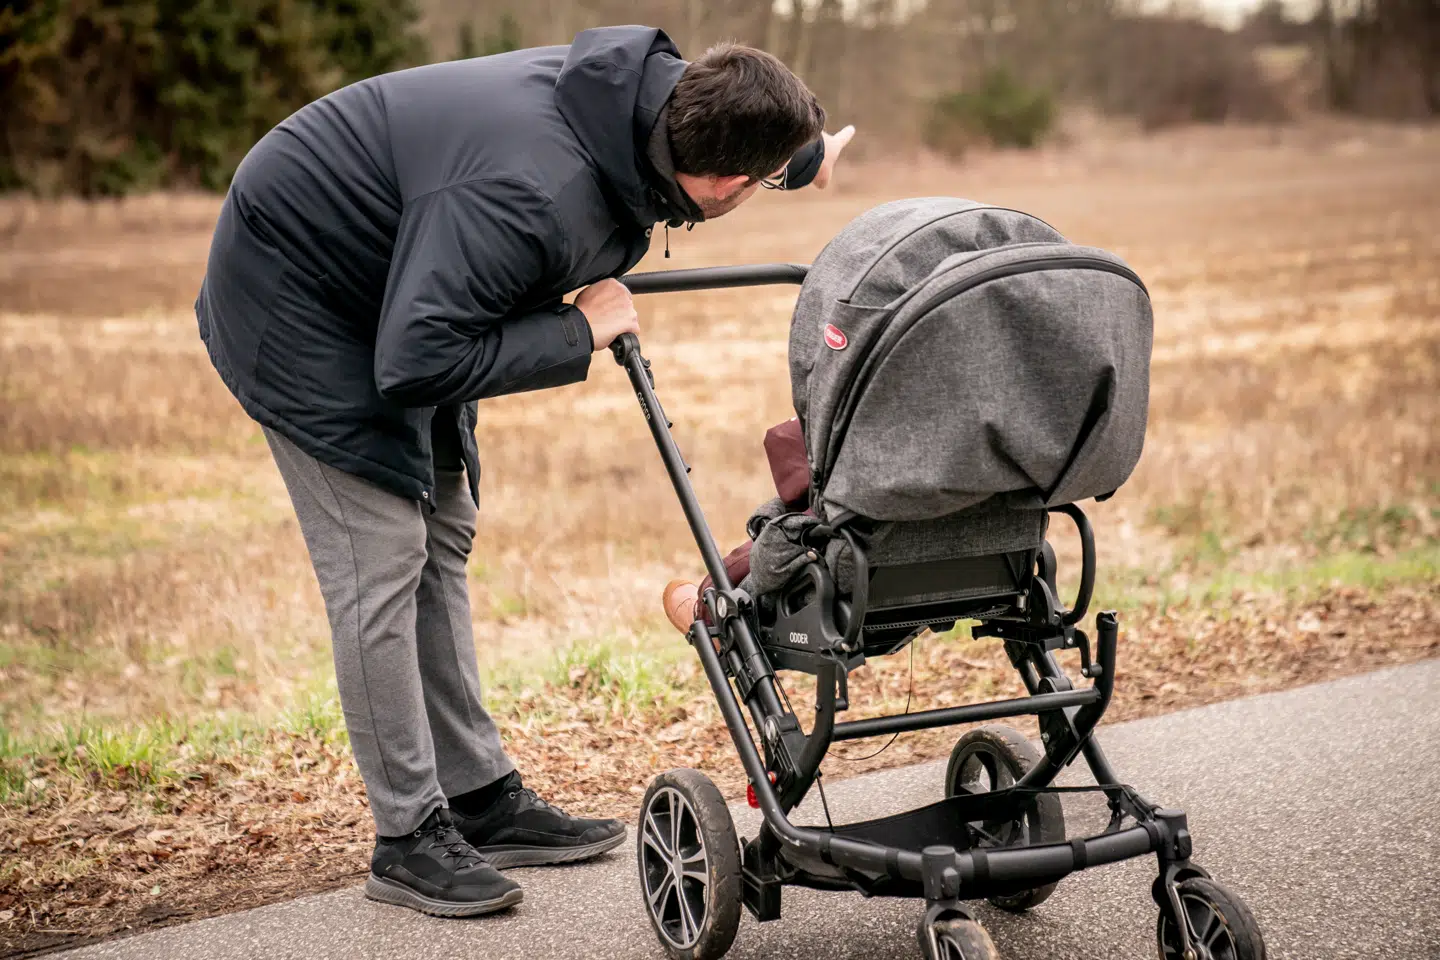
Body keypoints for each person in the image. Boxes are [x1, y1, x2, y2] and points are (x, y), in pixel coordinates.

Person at [196, 25, 853, 918]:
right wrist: (581, 331)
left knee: (446, 525)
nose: (765, 185)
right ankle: (407, 840)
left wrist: (808, 155)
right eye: (767, 179)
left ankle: (480, 800)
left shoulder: (664, 99)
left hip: (408, 275)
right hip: (301, 292)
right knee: (382, 555)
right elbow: (414, 359)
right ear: (725, 180)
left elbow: (752, 112)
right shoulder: (529, 193)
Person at [662, 418, 811, 631]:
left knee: (782, 539)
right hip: (872, 562)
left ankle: (710, 620)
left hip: (834, 570)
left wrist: (710, 595)